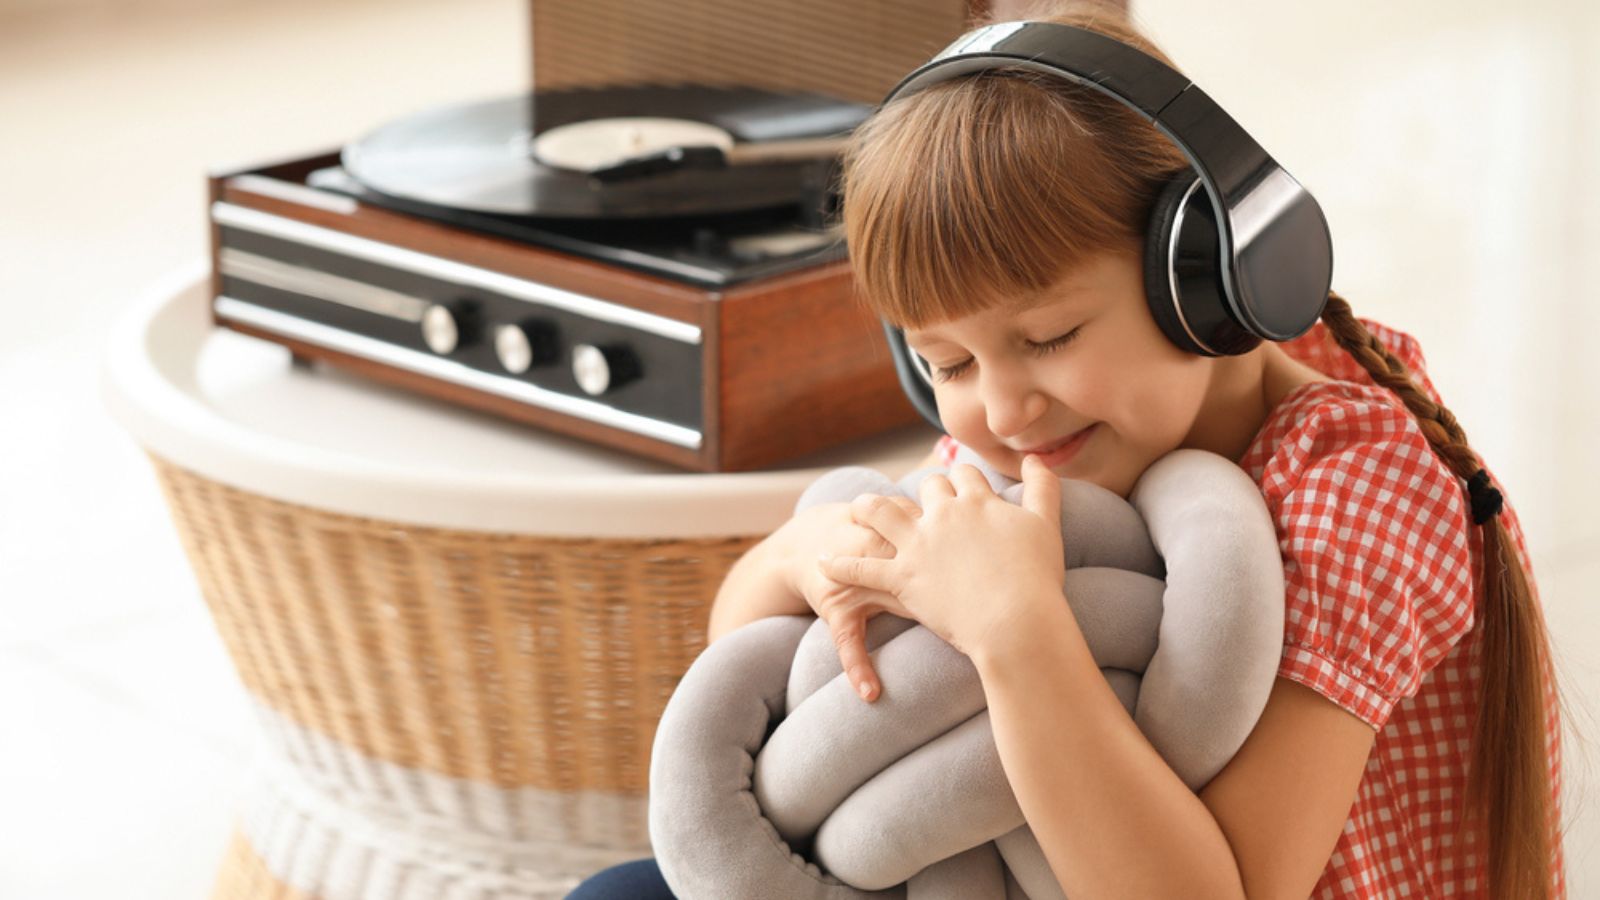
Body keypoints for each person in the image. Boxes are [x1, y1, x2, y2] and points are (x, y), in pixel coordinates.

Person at [567, 1, 1573, 897]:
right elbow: (748, 649)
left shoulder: (1357, 489)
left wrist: (1015, 632)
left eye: (1047, 338)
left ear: (1204, 280)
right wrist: (803, 556)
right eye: (945, 363)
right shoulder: (1045, 427)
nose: (1000, 409)